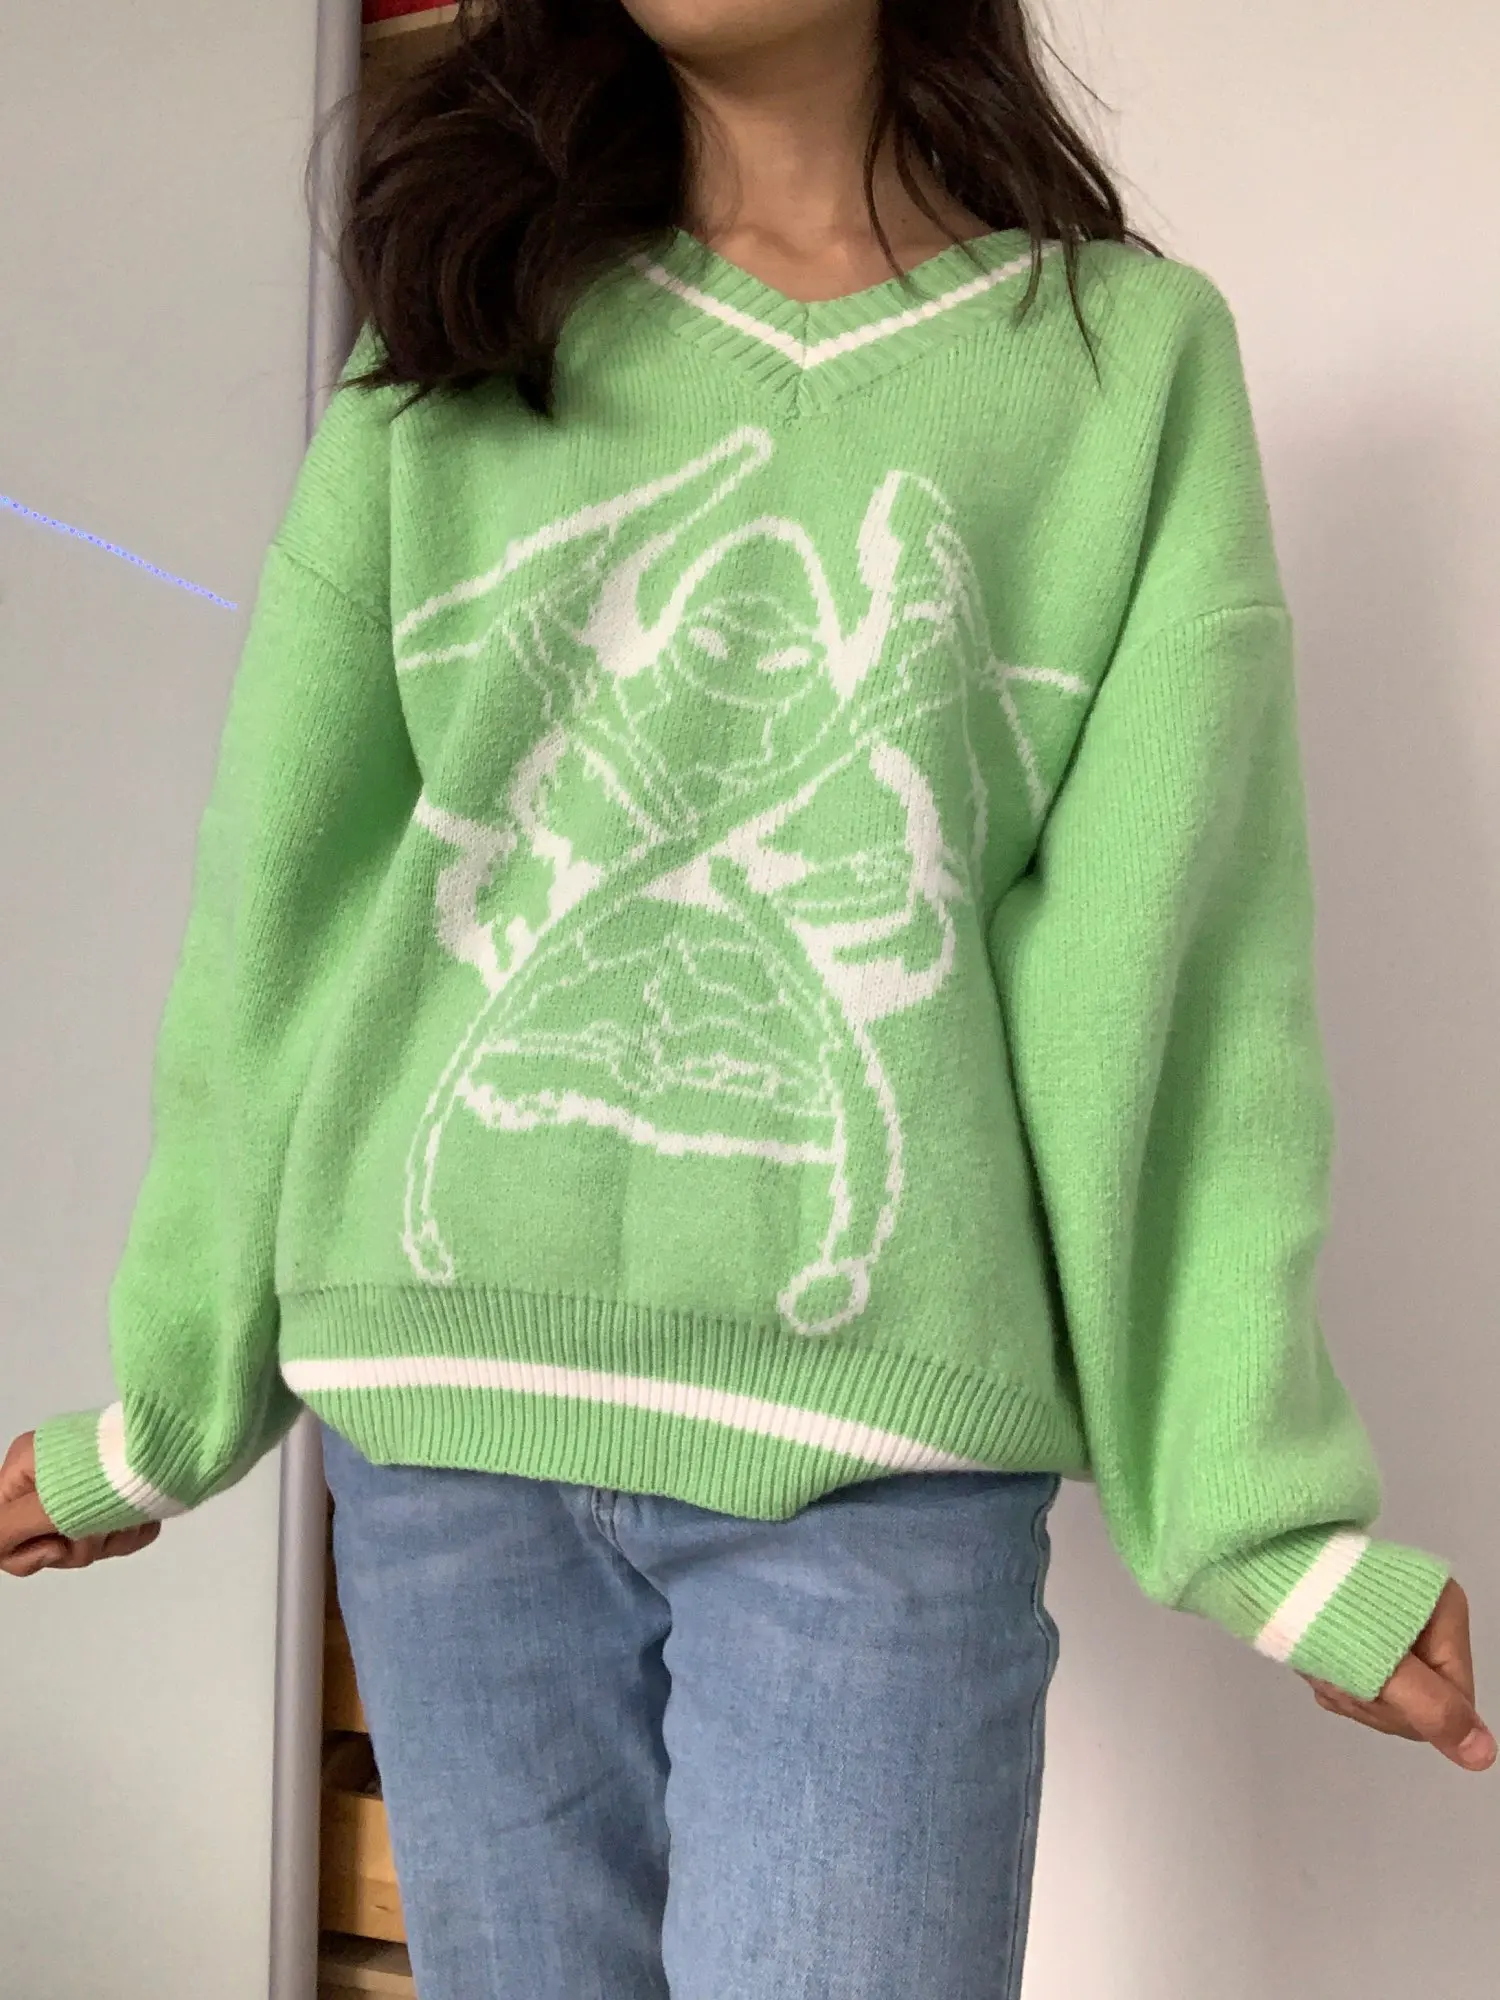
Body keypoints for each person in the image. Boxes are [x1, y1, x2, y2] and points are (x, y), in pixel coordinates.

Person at [2, 0, 1491, 1992]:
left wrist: (1256, 1512)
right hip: (442, 1440)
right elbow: (288, 891)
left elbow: (1179, 970)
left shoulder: (1119, 367)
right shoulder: (462, 327)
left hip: (872, 1465)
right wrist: (174, 1402)